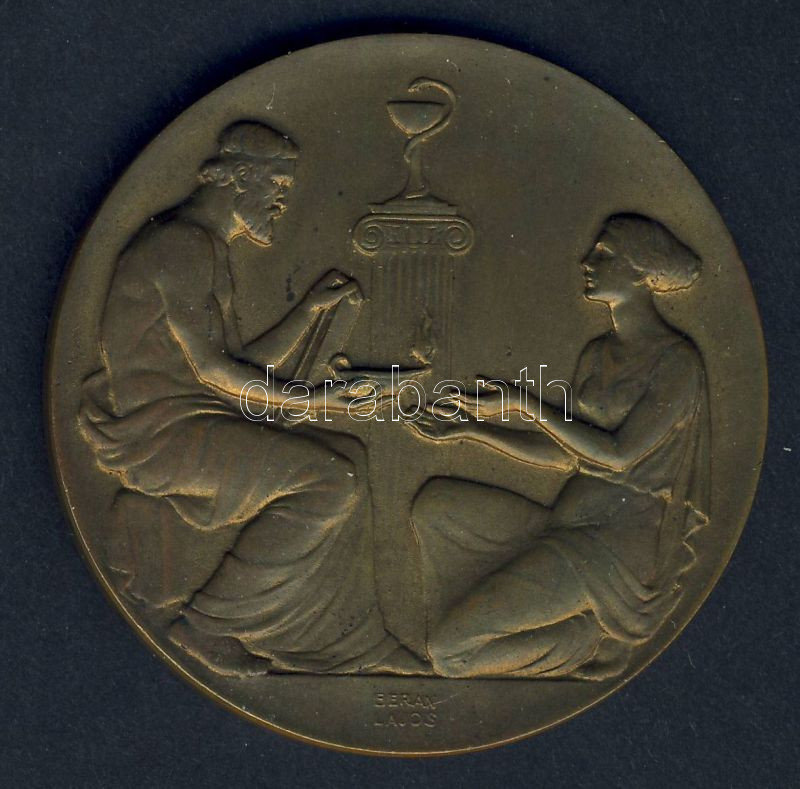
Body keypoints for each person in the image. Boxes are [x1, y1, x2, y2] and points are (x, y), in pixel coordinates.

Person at [79, 121, 399, 676]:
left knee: (352, 456)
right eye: (277, 183)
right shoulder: (180, 245)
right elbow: (214, 370)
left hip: (195, 418)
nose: (282, 200)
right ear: (239, 177)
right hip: (164, 435)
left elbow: (237, 364)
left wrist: (309, 311)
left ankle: (341, 640)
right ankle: (207, 623)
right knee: (330, 480)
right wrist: (317, 401)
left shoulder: (202, 245)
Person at [409, 214, 710, 680]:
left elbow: (618, 454)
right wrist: (470, 431)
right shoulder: (597, 353)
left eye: (604, 253)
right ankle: (471, 617)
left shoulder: (678, 362)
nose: (587, 261)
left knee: (450, 653)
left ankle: (577, 640)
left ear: (640, 270)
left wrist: (525, 405)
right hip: (566, 522)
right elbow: (564, 455)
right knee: (436, 505)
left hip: (611, 550)